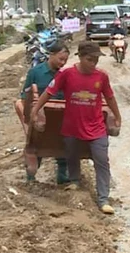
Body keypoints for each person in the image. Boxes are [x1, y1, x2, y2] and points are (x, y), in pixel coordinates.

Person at [31, 42, 122, 215]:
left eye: (96, 59)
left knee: (101, 160)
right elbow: (49, 93)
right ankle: (74, 180)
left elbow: (109, 97)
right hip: (72, 125)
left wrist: (117, 116)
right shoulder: (66, 74)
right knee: (71, 153)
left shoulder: (101, 77)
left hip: (96, 126)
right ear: (80, 57)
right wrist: (36, 109)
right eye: (89, 59)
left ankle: (103, 199)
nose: (93, 63)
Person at [15, 41, 71, 184]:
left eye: (65, 60)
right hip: (40, 115)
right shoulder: (35, 72)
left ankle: (62, 174)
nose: (63, 63)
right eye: (60, 59)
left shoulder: (65, 75)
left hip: (60, 114)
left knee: (62, 143)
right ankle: (31, 177)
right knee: (36, 142)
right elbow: (24, 97)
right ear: (51, 55)